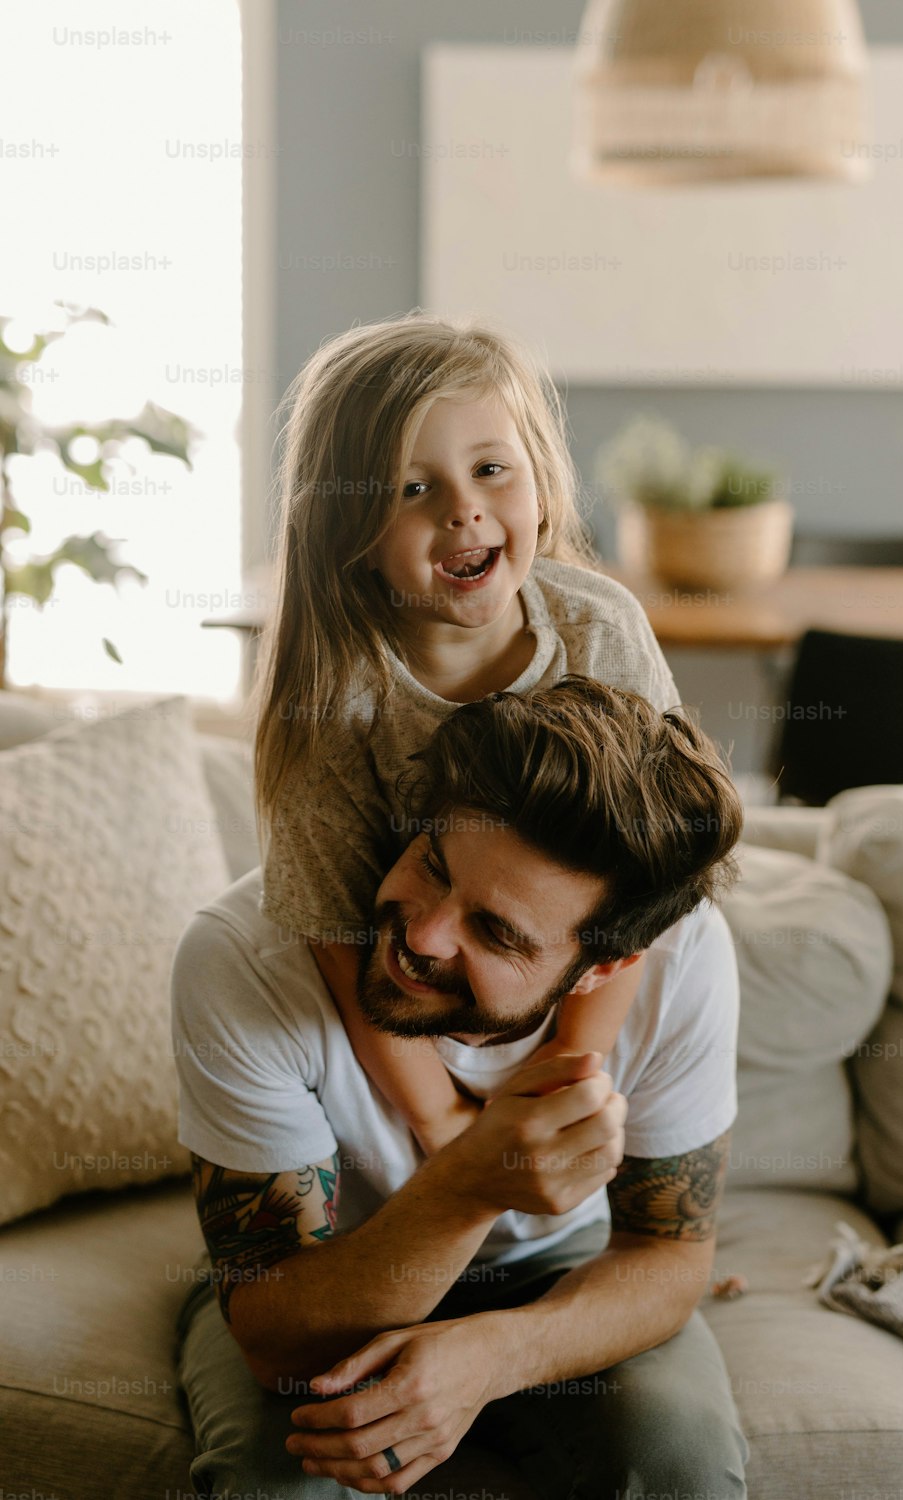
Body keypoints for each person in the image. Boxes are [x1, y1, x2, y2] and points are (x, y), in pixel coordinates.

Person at [171, 675, 749, 1498]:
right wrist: (471, 1184)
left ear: (605, 967)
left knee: (677, 1466)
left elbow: (669, 1251)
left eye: (495, 931)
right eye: (433, 866)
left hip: (562, 1267)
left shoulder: (682, 960)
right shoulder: (243, 960)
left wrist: (499, 1353)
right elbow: (278, 1343)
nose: (423, 931)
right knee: (280, 1487)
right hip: (324, 1266)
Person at [253, 310, 683, 1158]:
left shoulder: (600, 630)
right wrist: (445, 1127)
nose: (465, 511)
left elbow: (640, 886)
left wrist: (562, 1080)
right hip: (404, 1003)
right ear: (351, 533)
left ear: (542, 484)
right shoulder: (336, 696)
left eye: (492, 470)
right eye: (414, 489)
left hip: (579, 989)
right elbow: (336, 935)